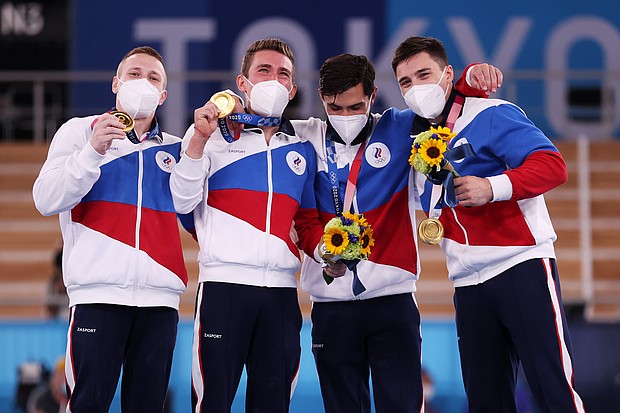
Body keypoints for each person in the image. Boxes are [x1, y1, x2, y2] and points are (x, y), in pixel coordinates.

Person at [290, 54, 502, 413]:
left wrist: (469, 77)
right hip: (329, 307)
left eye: (355, 106)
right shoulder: (301, 136)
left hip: (393, 302)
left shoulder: (401, 127)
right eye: (335, 107)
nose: (345, 116)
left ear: (373, 96)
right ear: (321, 96)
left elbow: (444, 103)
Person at [391, 36, 585, 413]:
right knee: (485, 400)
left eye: (424, 74)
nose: (416, 88)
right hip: (467, 285)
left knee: (553, 388)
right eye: (405, 82)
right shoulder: (412, 137)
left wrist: (493, 187)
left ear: (448, 74)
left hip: (521, 265)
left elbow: (553, 165)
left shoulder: (491, 113)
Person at [169, 38, 326, 413]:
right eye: (264, 70)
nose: (274, 79)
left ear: (292, 89)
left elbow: (306, 222)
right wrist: (199, 141)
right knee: (213, 403)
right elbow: (180, 201)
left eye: (283, 74)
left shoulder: (302, 146)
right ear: (243, 83)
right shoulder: (210, 135)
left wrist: (326, 252)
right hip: (224, 289)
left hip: (282, 297)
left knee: (273, 404)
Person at [32, 46, 189, 413]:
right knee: (87, 405)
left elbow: (196, 215)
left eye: (153, 79)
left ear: (163, 96)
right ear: (116, 83)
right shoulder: (78, 131)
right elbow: (45, 199)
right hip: (97, 298)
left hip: (160, 302)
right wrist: (91, 152)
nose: (143, 83)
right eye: (134, 74)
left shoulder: (179, 149)